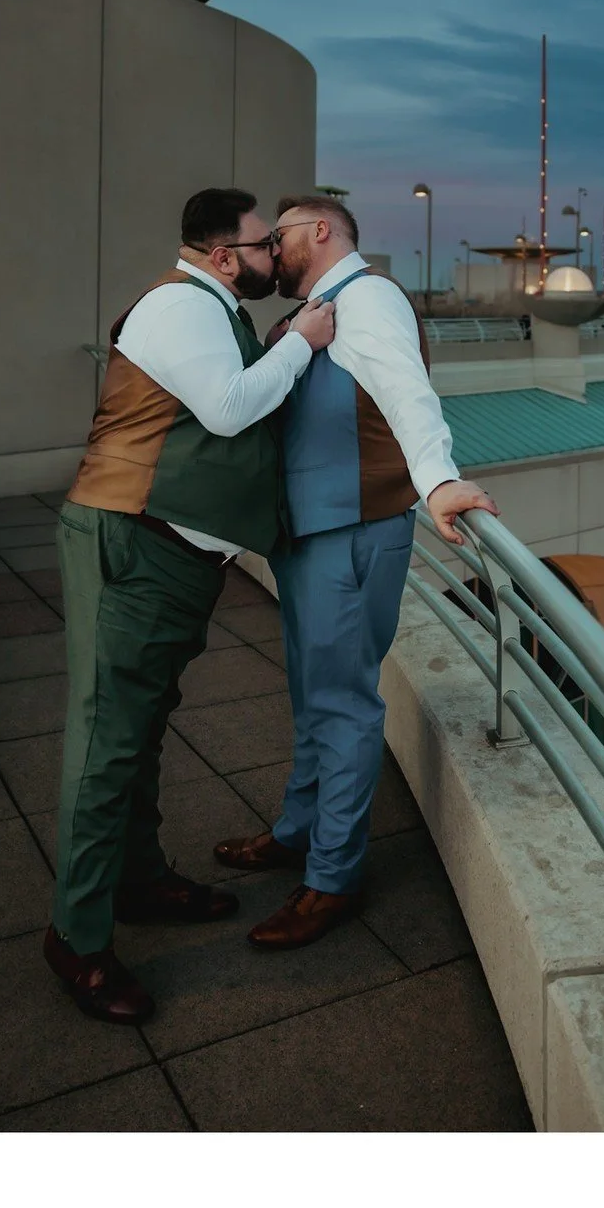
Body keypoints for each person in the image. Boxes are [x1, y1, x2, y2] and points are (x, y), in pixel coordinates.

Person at [43, 188, 335, 1024]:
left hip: (167, 555)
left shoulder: (212, 309)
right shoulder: (179, 307)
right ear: (220, 255)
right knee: (106, 744)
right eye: (261, 244)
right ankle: (78, 937)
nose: (273, 256)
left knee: (139, 727)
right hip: (131, 546)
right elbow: (232, 406)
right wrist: (305, 342)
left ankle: (134, 882)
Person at [214, 195, 498, 947]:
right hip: (311, 537)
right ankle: (298, 831)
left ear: (320, 231)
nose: (272, 251)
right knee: (314, 696)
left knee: (341, 705)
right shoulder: (319, 309)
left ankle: (331, 876)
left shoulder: (366, 298)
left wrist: (437, 480)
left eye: (278, 237)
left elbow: (408, 393)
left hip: (350, 536)